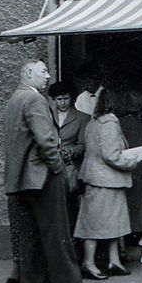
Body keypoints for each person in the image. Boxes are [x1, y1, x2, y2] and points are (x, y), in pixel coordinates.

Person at [3, 60, 96, 283]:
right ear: (29, 74)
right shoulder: (35, 100)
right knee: (58, 233)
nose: (48, 76)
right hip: (42, 176)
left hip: (22, 179)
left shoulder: (15, 99)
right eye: (43, 71)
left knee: (30, 235)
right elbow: (47, 142)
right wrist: (60, 171)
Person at [75, 88, 141, 279]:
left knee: (108, 223)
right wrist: (131, 162)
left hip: (96, 179)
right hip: (107, 181)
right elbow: (111, 155)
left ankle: (114, 262)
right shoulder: (110, 123)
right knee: (96, 225)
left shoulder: (93, 122)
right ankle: (89, 263)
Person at [119, 91, 142, 265]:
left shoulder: (118, 124)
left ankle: (121, 252)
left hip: (121, 171)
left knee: (120, 212)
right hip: (139, 172)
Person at [48, 81, 89, 225]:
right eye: (59, 99)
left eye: (66, 98)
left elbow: (83, 144)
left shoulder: (83, 118)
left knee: (69, 204)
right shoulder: (46, 115)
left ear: (72, 98)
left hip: (70, 167)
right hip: (50, 165)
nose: (63, 103)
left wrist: (71, 151)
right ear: (53, 99)